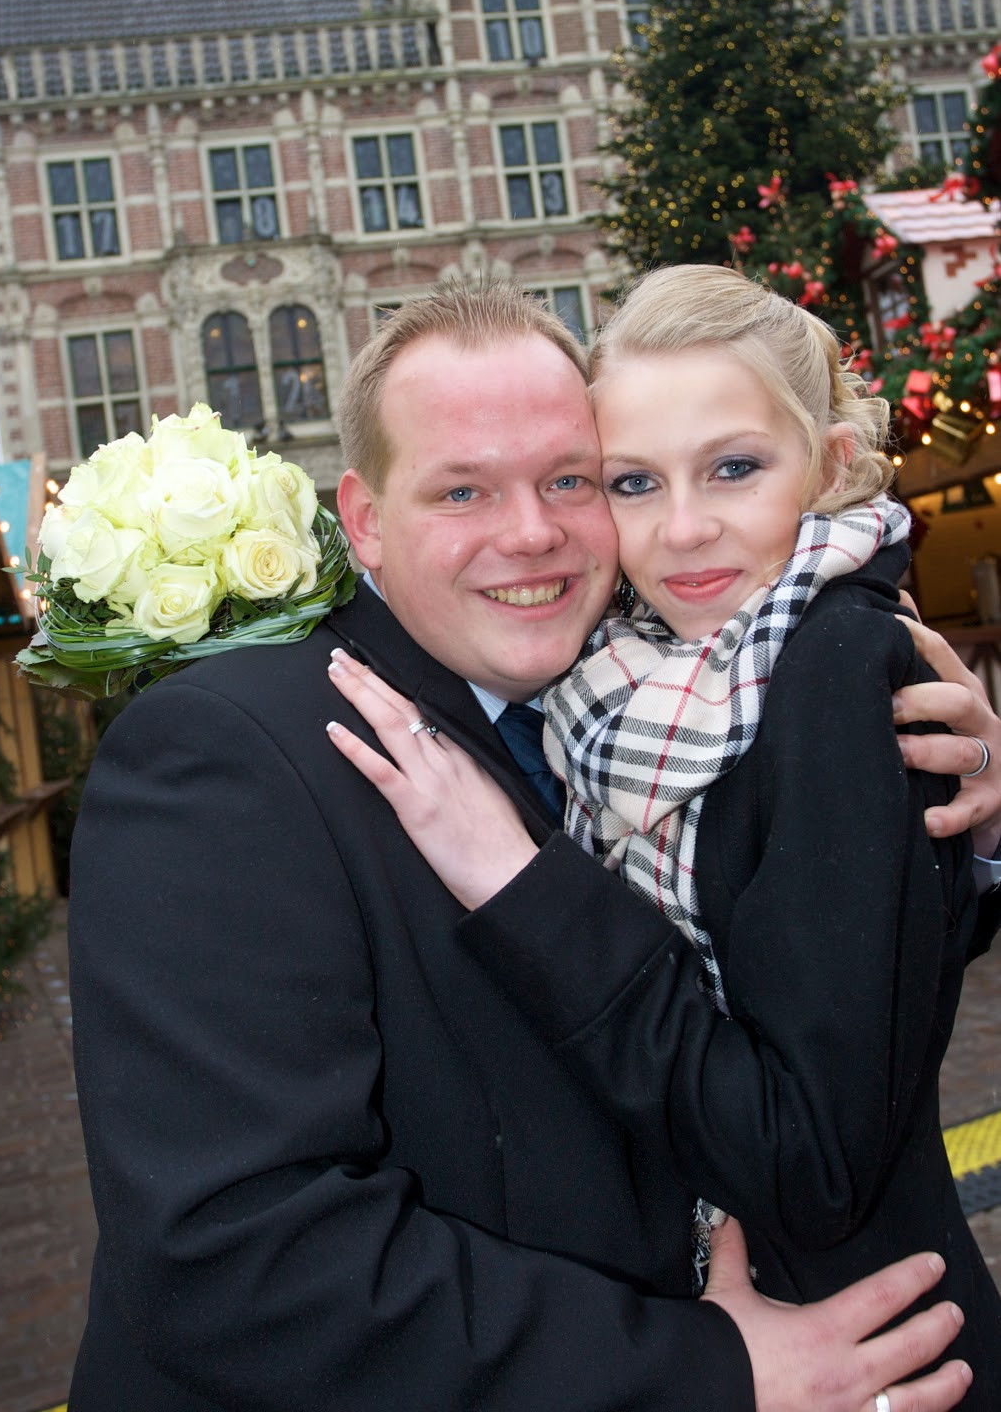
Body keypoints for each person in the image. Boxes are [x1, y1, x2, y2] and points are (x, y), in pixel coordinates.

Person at [68, 282, 998, 1412]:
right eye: (462, 488)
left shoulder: (646, 687)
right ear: (361, 520)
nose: (533, 531)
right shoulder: (224, 754)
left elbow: (802, 965)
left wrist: (959, 821)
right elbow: (236, 1256)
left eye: (571, 479)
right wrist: (709, 1371)